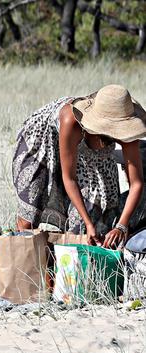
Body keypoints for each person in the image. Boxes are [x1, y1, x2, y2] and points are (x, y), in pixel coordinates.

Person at [13, 84, 146, 247]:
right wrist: (88, 224)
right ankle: (27, 261)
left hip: (90, 152)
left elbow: (136, 183)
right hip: (42, 141)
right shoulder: (71, 121)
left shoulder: (129, 131)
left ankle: (65, 259)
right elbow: (69, 179)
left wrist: (121, 226)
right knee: (29, 217)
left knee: (96, 219)